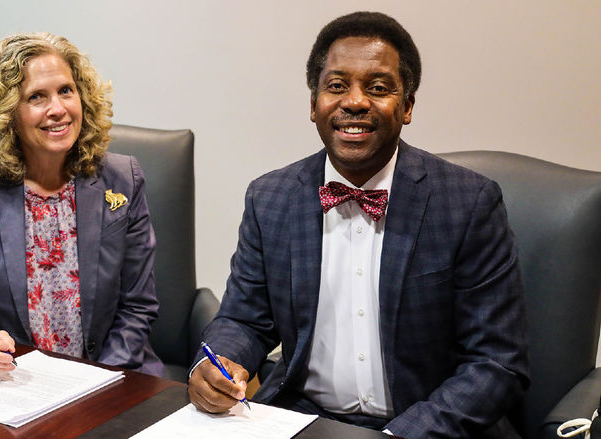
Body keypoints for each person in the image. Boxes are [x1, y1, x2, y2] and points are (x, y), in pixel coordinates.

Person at [188, 11, 528, 439]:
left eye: (378, 88)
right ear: (313, 105)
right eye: (336, 86)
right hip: (304, 419)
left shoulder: (469, 203)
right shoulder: (270, 197)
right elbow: (244, 320)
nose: (354, 101)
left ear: (406, 107)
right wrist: (216, 363)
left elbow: (496, 363)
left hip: (429, 425)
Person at [0, 32, 163, 377]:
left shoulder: (123, 177)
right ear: (6, 113)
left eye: (66, 91)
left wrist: (95, 378)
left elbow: (137, 306)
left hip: (112, 375)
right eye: (37, 96)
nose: (58, 109)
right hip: (16, 380)